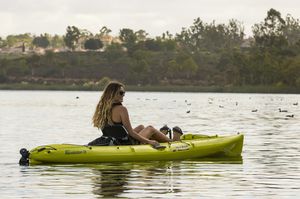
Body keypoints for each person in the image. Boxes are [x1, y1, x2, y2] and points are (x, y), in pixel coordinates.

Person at [92, 81, 182, 147]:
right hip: (125, 144)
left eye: (124, 93)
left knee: (141, 127)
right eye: (121, 93)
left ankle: (161, 135)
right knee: (150, 128)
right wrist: (150, 142)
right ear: (113, 94)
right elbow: (131, 132)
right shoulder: (122, 109)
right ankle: (173, 142)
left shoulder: (103, 109)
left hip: (114, 140)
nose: (123, 95)